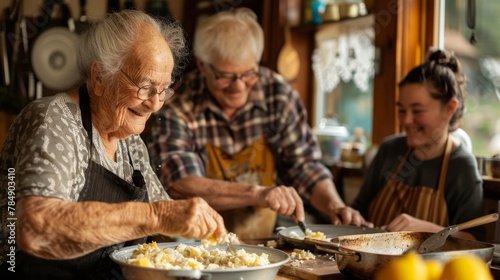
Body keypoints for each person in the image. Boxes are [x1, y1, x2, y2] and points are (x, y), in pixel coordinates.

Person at [0, 10, 227, 279]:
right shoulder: (54, 121)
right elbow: (34, 227)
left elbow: (172, 223)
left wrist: (220, 244)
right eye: (145, 86)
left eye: (163, 90)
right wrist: (157, 215)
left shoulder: (130, 143)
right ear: (99, 77)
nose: (155, 103)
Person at [148, 8, 370, 240]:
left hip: (266, 236)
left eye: (248, 73)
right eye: (226, 76)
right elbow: (180, 183)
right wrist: (258, 193)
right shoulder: (178, 104)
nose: (239, 86)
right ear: (203, 66)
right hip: (195, 240)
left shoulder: (278, 94)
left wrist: (335, 206)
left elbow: (305, 167)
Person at [351, 49, 484, 240]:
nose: (406, 120)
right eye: (402, 110)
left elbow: (475, 241)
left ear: (449, 109)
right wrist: (353, 217)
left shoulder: (461, 167)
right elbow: (359, 210)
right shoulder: (389, 149)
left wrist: (431, 230)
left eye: (417, 111)